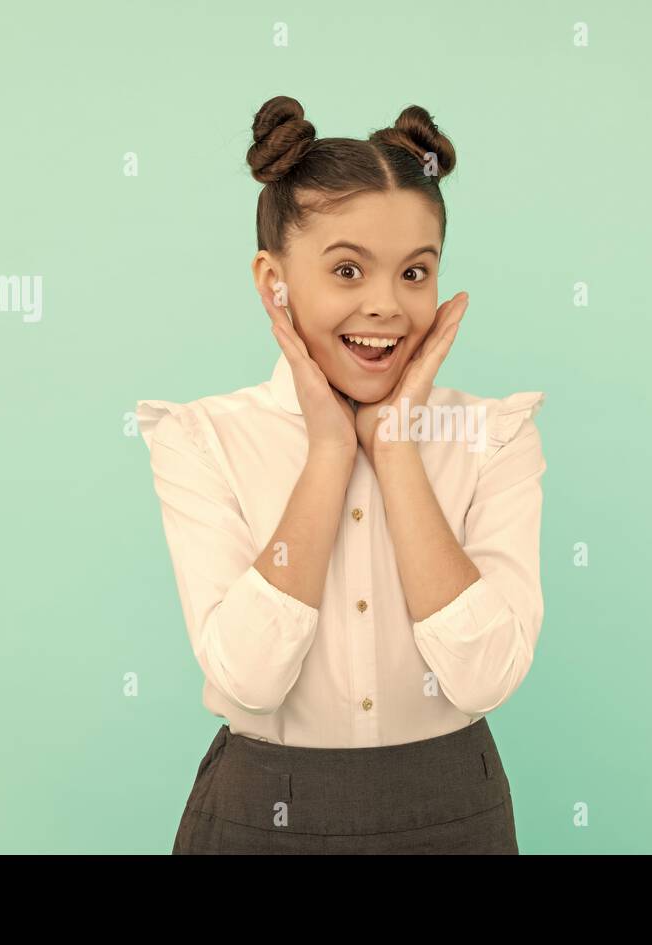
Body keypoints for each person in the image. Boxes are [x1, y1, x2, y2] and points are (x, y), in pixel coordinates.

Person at [136, 95, 546, 854]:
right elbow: (250, 677)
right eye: (348, 268)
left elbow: (484, 677)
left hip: (453, 812)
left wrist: (395, 453)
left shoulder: (494, 436)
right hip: (262, 814)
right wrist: (330, 455)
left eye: (415, 272)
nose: (386, 305)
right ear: (274, 282)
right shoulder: (202, 439)